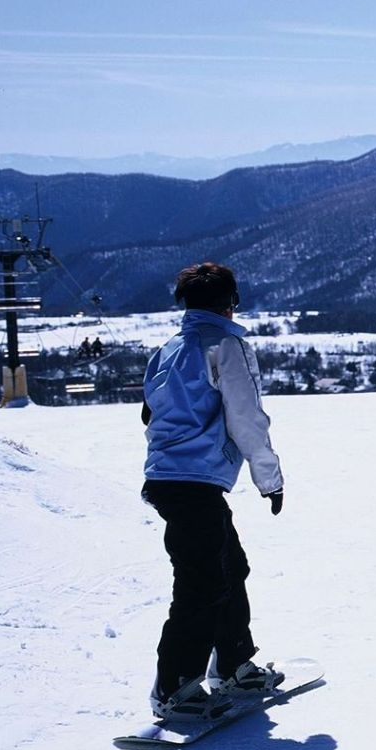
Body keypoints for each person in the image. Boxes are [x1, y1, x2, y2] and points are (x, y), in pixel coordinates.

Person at [138, 261, 287, 722]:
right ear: (232, 301)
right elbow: (246, 418)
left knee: (229, 566)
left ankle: (235, 664)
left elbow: (148, 412)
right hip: (193, 480)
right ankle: (175, 688)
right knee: (201, 583)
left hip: (169, 477)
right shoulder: (226, 345)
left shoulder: (169, 348)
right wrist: (270, 479)